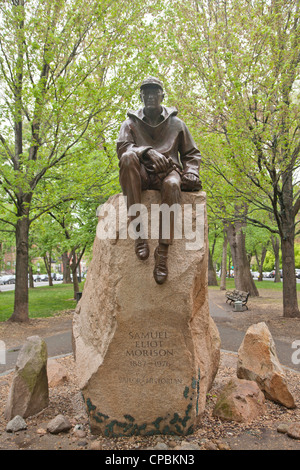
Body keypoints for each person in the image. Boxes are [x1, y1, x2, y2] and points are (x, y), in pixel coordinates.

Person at [117, 77, 202, 284]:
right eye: (146, 93)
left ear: (162, 96)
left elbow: (191, 154)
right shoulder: (130, 124)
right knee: (128, 158)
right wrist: (147, 151)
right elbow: (123, 149)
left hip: (168, 172)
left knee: (173, 185)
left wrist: (191, 172)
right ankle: (139, 233)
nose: (150, 96)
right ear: (141, 96)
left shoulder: (177, 124)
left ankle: (162, 252)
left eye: (155, 92)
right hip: (142, 173)